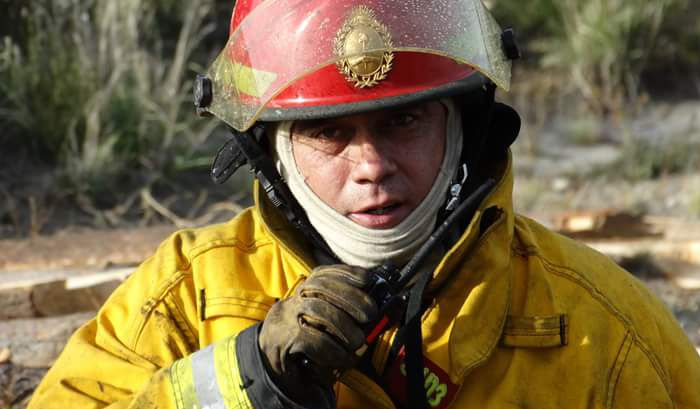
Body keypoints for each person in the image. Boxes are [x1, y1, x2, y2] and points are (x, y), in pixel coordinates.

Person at [29, 1, 700, 408]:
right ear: (272, 149)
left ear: (463, 123)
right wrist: (250, 377)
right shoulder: (184, 298)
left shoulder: (605, 328)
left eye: (404, 121)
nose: (371, 166)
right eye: (328, 131)